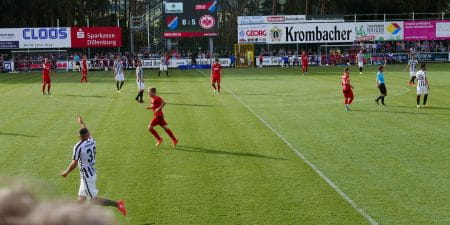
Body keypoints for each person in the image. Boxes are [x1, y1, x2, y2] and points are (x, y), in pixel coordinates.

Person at [59, 114, 127, 217]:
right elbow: (87, 132)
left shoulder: (78, 147)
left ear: (79, 137)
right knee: (81, 199)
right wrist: (82, 123)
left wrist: (66, 172)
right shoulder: (92, 140)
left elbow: (74, 163)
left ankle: (118, 204)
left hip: (87, 176)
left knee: (93, 201)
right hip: (90, 173)